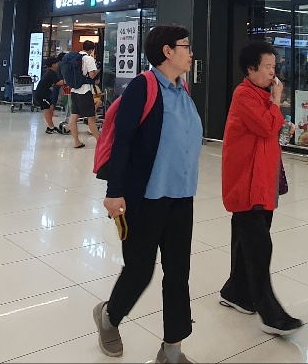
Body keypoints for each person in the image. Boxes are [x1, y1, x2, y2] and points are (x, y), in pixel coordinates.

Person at [94, 25, 201, 363]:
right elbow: (123, 141)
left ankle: (172, 350)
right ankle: (109, 316)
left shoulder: (183, 89)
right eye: (186, 46)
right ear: (167, 51)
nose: (191, 52)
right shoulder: (143, 86)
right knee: (140, 271)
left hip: (181, 197)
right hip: (145, 198)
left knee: (178, 274)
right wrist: (114, 192)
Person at [219, 41, 303, 336]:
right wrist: (277, 101)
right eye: (267, 67)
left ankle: (236, 292)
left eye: (274, 67)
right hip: (246, 182)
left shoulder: (261, 94)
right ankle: (270, 312)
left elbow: (272, 131)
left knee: (247, 240)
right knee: (259, 246)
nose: (272, 72)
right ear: (250, 69)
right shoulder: (244, 95)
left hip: (262, 180)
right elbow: (267, 126)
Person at [69, 40, 101, 149]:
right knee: (91, 118)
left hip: (74, 90)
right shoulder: (88, 59)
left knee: (74, 117)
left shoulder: (74, 57)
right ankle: (100, 142)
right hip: (85, 91)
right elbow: (91, 75)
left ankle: (77, 142)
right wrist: (97, 71)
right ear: (91, 50)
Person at [36, 54, 66, 134]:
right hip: (41, 94)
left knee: (49, 109)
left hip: (45, 93)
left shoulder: (51, 72)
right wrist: (68, 81)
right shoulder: (51, 73)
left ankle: (51, 126)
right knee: (47, 110)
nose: (57, 64)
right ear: (52, 65)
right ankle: (51, 127)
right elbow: (58, 82)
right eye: (56, 63)